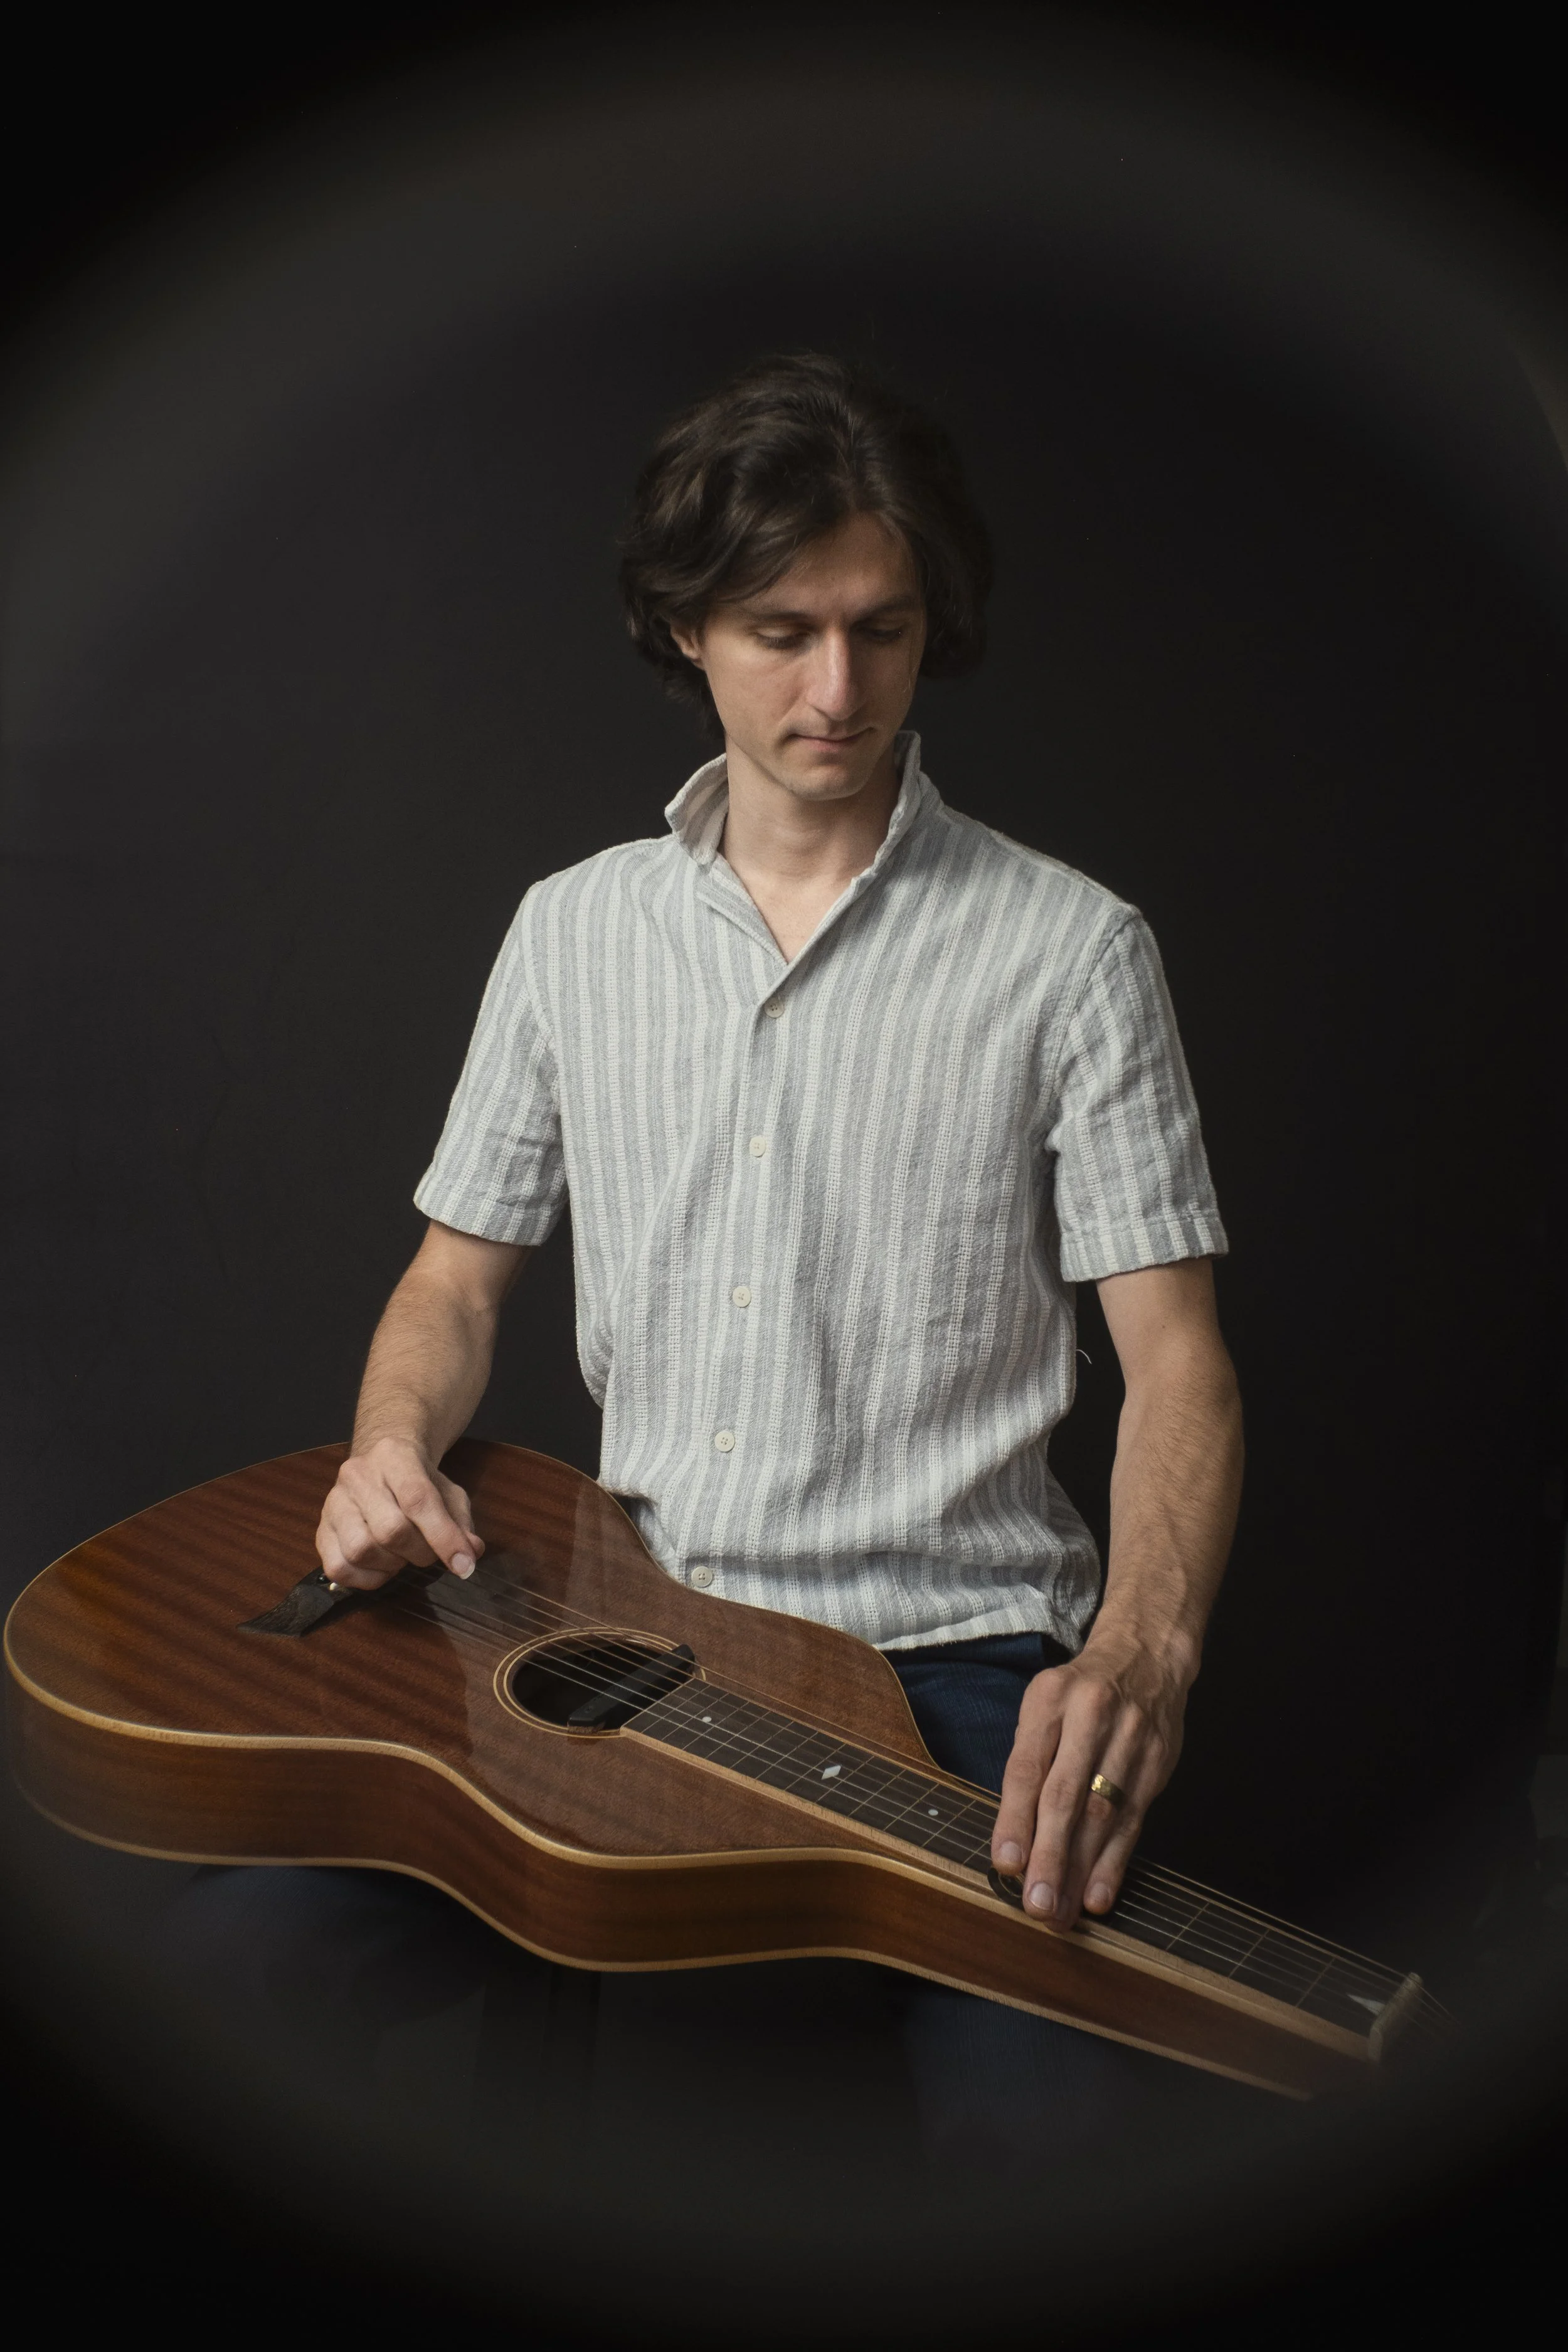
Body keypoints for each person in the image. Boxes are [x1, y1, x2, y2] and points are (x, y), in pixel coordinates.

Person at [188, 351, 1248, 2171]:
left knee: (1064, 2127)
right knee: (230, 1977)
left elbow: (1179, 1364)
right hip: (620, 1638)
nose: (838, 688)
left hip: (952, 1667)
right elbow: (451, 1289)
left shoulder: (1072, 950)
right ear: (680, 623)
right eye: (781, 629)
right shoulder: (568, 930)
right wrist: (389, 1444)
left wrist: (1143, 1649)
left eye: (884, 629)